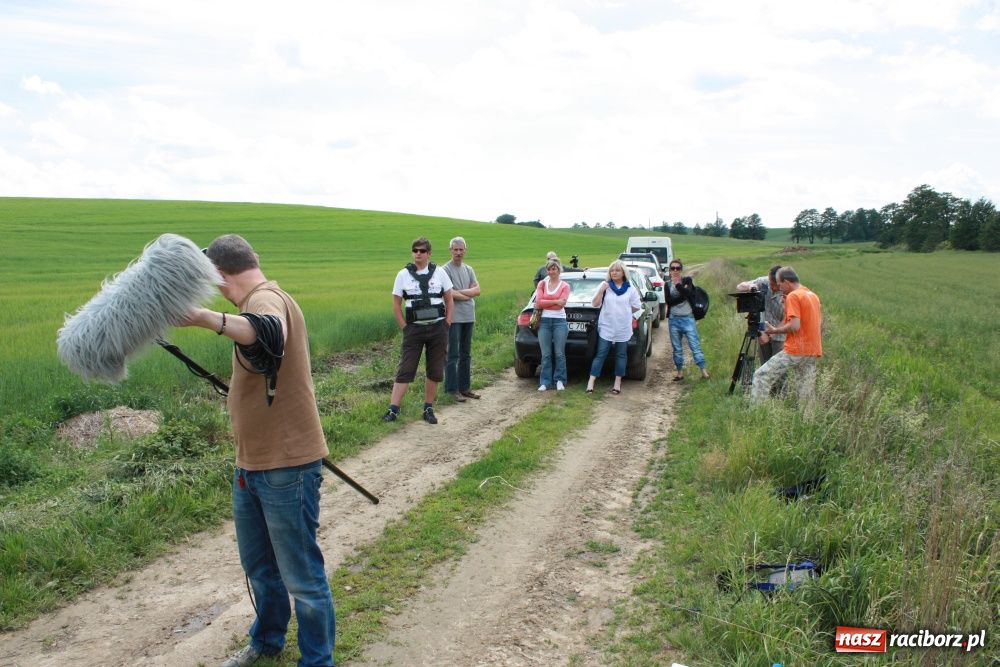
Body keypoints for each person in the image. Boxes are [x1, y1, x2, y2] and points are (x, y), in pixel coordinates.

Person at [181, 234, 335, 667]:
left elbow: (268, 333)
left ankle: (317, 661)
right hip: (251, 463)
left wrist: (203, 318)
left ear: (218, 273)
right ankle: (267, 641)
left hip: (286, 466)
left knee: (301, 576)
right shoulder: (257, 299)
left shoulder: (266, 299)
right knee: (260, 567)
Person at [382, 237, 454, 424]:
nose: (418, 254)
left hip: (438, 328)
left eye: (422, 251)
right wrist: (404, 327)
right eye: (415, 250)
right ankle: (393, 410)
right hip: (413, 330)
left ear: (429, 253)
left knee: (435, 370)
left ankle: (428, 408)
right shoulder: (402, 275)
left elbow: (449, 299)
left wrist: (447, 323)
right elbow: (396, 304)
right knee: (405, 368)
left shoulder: (440, 273)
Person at [751, 266, 823, 406]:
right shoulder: (811, 295)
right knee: (805, 391)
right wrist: (785, 308)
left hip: (796, 349)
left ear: (787, 282)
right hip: (812, 350)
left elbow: (794, 326)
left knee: (761, 376)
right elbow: (806, 322)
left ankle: (757, 413)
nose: (779, 289)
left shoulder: (793, 296)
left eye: (779, 285)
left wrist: (775, 330)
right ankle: (807, 417)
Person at [586, 260, 641, 395]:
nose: (614, 273)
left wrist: (624, 313)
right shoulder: (605, 286)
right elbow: (595, 304)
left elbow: (636, 306)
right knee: (601, 354)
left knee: (621, 355)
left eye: (617, 270)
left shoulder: (630, 289)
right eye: (612, 270)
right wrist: (601, 291)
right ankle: (591, 382)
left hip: (623, 327)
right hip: (607, 326)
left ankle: (617, 382)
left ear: (623, 273)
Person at [442, 236, 481, 402]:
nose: (458, 252)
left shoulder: (469, 269)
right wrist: (468, 294)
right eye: (455, 249)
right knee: (452, 353)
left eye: (461, 249)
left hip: (468, 316)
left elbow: (477, 290)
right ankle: (452, 389)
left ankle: (465, 388)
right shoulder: (445, 270)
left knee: (466, 353)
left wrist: (460, 293)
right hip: (454, 317)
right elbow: (448, 293)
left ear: (465, 250)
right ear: (450, 250)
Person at [665, 259, 709, 381]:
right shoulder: (667, 284)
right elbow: (669, 301)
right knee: (677, 348)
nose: (675, 270)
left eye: (677, 268)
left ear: (681, 270)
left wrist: (678, 285)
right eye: (672, 268)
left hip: (688, 318)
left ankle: (704, 372)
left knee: (695, 345)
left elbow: (688, 293)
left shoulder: (687, 280)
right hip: (674, 320)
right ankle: (680, 373)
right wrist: (683, 295)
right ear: (669, 270)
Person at [736, 265, 785, 364]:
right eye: (770, 283)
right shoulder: (764, 282)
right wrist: (750, 287)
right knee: (765, 365)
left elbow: (788, 318)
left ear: (780, 283)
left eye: (774, 285)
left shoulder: (788, 292)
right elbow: (739, 286)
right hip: (763, 332)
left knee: (778, 367)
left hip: (780, 335)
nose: (771, 287)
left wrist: (773, 332)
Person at [533, 258, 570, 391]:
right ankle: (545, 382)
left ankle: (560, 380)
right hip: (544, 321)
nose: (551, 271)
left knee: (559, 353)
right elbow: (538, 302)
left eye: (553, 269)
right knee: (546, 354)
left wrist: (547, 301)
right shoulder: (542, 284)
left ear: (559, 270)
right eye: (548, 269)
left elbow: (561, 305)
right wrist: (555, 301)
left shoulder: (565, 286)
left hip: (559, 322)